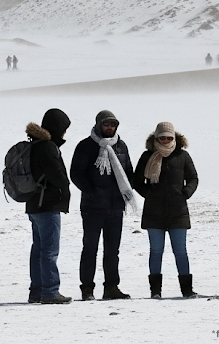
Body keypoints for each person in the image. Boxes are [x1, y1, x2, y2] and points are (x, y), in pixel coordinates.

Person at [70, 110, 137, 301]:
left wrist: (126, 190)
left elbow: (128, 172)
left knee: (112, 251)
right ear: (99, 124)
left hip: (116, 207)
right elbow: (76, 173)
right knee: (90, 248)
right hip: (92, 208)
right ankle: (87, 289)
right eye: (106, 124)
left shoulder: (121, 146)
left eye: (113, 124)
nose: (110, 127)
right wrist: (92, 191)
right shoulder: (86, 146)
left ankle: (111, 288)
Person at [133, 122, 199, 299]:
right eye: (162, 137)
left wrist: (185, 193)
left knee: (180, 251)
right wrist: (149, 194)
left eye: (169, 137)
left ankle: (187, 290)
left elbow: (193, 178)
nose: (165, 140)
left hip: (178, 211)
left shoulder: (183, 156)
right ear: (156, 138)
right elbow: (136, 181)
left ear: (175, 138)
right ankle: (155, 291)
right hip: (154, 212)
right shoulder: (147, 156)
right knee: (156, 251)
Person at [24, 109, 73, 304]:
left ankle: (36, 291)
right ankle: (50, 291)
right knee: (49, 251)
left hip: (34, 204)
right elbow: (56, 175)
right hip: (47, 204)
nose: (65, 133)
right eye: (63, 128)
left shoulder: (35, 144)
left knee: (39, 249)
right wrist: (65, 186)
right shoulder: (47, 147)